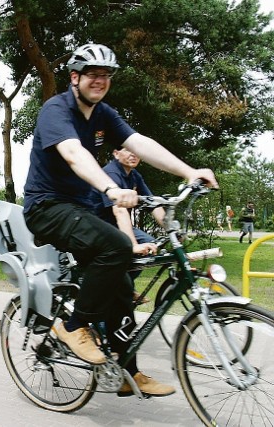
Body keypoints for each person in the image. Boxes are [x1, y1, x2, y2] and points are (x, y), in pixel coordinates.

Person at [23, 43, 217, 397]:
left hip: (79, 208)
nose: (100, 81)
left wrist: (190, 172)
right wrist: (111, 188)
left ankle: (128, 373)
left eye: (106, 75)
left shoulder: (103, 114)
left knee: (123, 279)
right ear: (75, 78)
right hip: (46, 207)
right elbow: (73, 154)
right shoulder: (56, 110)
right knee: (116, 245)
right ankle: (71, 326)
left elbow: (140, 143)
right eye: (93, 74)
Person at [91, 147, 166, 304]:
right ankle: (116, 290)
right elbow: (119, 210)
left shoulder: (134, 175)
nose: (134, 154)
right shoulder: (111, 173)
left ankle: (123, 286)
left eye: (137, 150)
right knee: (130, 249)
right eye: (128, 150)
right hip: (99, 227)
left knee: (150, 245)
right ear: (116, 153)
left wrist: (171, 227)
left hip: (116, 225)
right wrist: (132, 244)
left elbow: (153, 203)